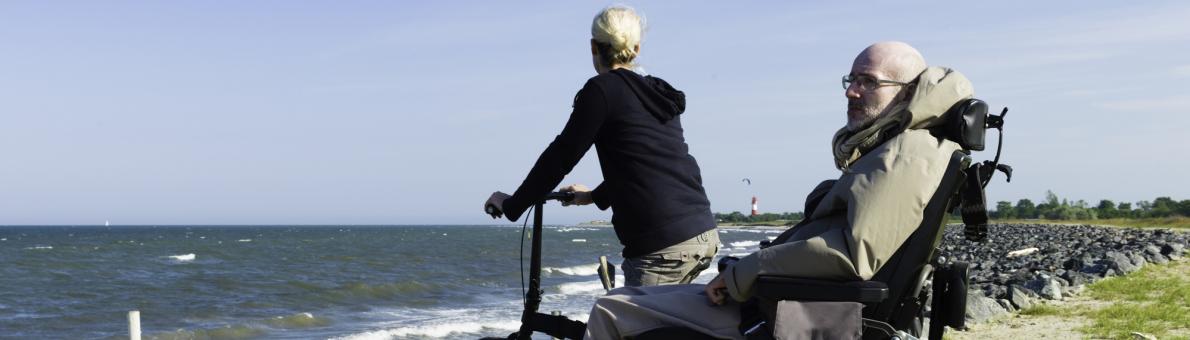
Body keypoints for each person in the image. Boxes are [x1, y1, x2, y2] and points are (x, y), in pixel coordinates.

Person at [584, 41, 975, 339]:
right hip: (787, 298)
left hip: (788, 314)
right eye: (851, 79)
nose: (852, 91)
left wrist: (747, 271)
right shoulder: (908, 147)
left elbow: (856, 254)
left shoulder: (906, 152)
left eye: (869, 82)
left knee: (611, 307)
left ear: (907, 92)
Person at [483, 5, 718, 287]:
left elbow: (561, 157)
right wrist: (593, 196)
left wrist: (512, 205)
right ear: (637, 47)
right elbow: (648, 165)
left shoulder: (601, 90)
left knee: (628, 330)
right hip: (701, 231)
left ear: (593, 46)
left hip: (661, 246)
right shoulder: (656, 93)